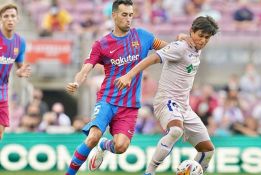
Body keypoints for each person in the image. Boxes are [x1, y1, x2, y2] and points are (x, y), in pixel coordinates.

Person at [65, 0, 192, 174]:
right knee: (93, 137)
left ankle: (104, 145)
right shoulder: (101, 44)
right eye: (124, 14)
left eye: (131, 15)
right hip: (107, 100)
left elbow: (168, 49)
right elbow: (86, 68)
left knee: (121, 146)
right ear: (114, 15)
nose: (128, 19)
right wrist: (77, 82)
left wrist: (179, 40)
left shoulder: (143, 36)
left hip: (129, 106)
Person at [115, 16, 219, 175]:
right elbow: (152, 59)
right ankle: (149, 172)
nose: (203, 40)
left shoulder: (194, 49)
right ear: (192, 31)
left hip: (184, 107)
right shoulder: (181, 47)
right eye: (200, 35)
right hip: (167, 101)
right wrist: (129, 76)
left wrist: (181, 36)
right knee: (176, 131)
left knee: (207, 151)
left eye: (207, 38)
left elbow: (181, 41)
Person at [0, 3, 31, 140]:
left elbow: (20, 65)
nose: (10, 19)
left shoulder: (20, 42)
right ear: (1, 19)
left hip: (3, 92)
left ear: (17, 18)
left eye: (12, 16)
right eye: (6, 16)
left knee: (0, 133)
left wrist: (21, 71)